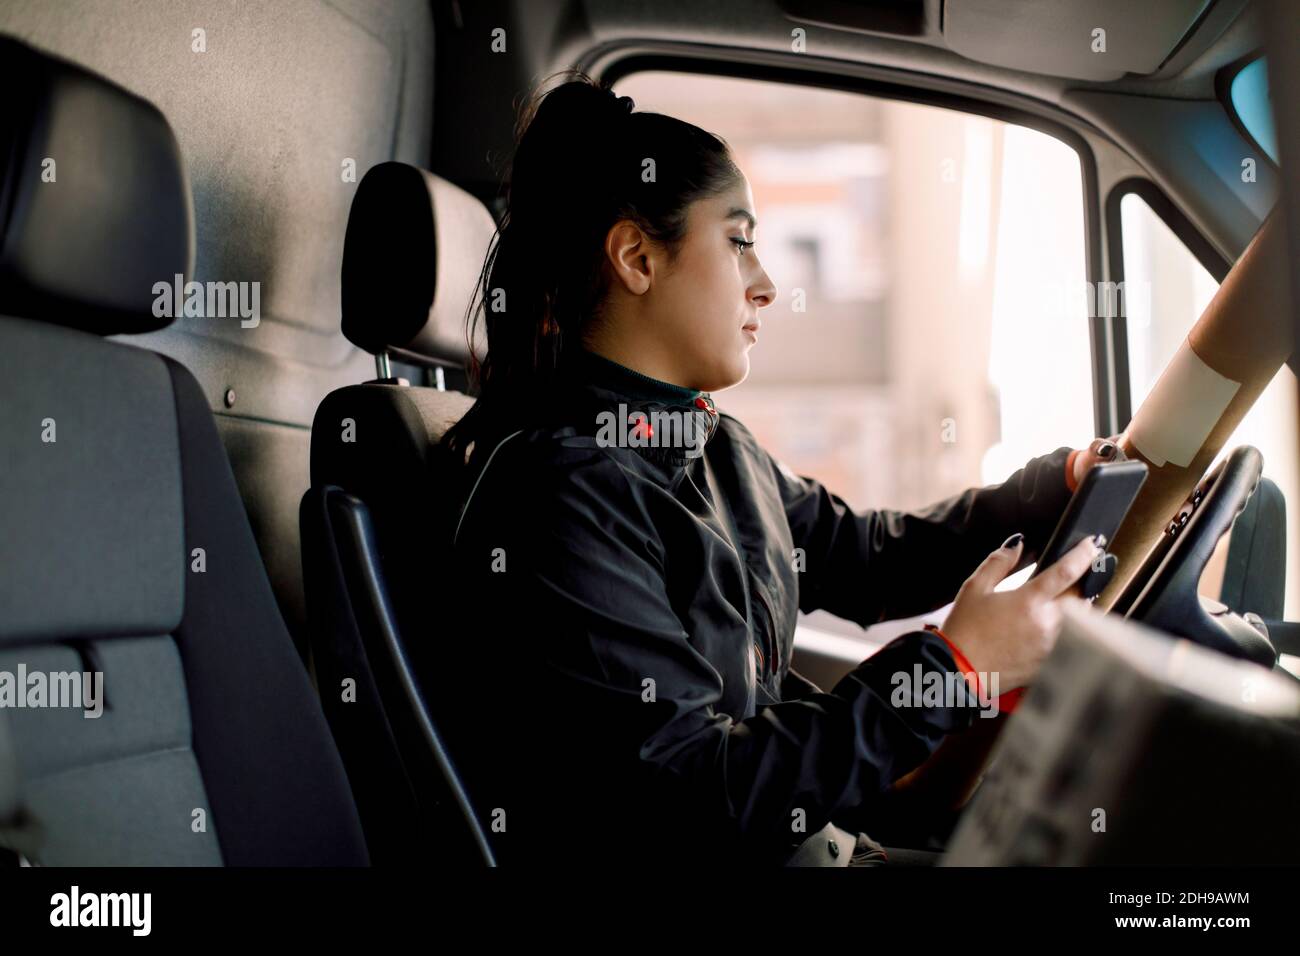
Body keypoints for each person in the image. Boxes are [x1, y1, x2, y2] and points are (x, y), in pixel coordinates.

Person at [432, 72, 1117, 867]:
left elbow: (868, 557)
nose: (767, 285)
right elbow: (694, 796)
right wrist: (953, 671)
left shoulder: (714, 447)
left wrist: (1050, 489)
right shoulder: (561, 494)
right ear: (636, 258)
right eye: (738, 241)